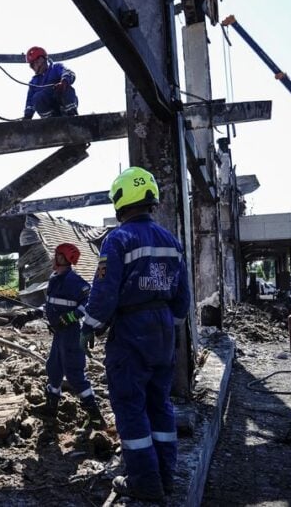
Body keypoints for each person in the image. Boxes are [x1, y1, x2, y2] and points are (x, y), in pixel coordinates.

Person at [79, 167, 191, 501]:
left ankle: (144, 483)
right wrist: (167, 328)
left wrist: (88, 328)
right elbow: (183, 299)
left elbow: (104, 294)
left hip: (130, 332)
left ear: (120, 199)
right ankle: (166, 476)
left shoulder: (119, 239)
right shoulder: (171, 241)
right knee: (160, 406)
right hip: (163, 332)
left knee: (130, 407)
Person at [36, 243, 106, 430]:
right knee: (54, 368)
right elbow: (48, 305)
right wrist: (29, 315)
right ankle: (51, 408)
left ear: (63, 258)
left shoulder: (75, 281)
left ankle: (96, 417)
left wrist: (69, 317)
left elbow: (89, 303)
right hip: (59, 334)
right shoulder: (54, 279)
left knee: (74, 373)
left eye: (56, 255)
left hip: (71, 334)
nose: (53, 257)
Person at [22, 46, 78, 120]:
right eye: (32, 65)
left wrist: (64, 82)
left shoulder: (56, 68)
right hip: (50, 113)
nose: (33, 67)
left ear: (42, 60)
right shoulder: (34, 82)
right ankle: (50, 120)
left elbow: (68, 73)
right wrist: (27, 116)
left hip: (63, 105)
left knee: (65, 89)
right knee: (37, 97)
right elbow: (30, 101)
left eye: (34, 63)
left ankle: (71, 115)